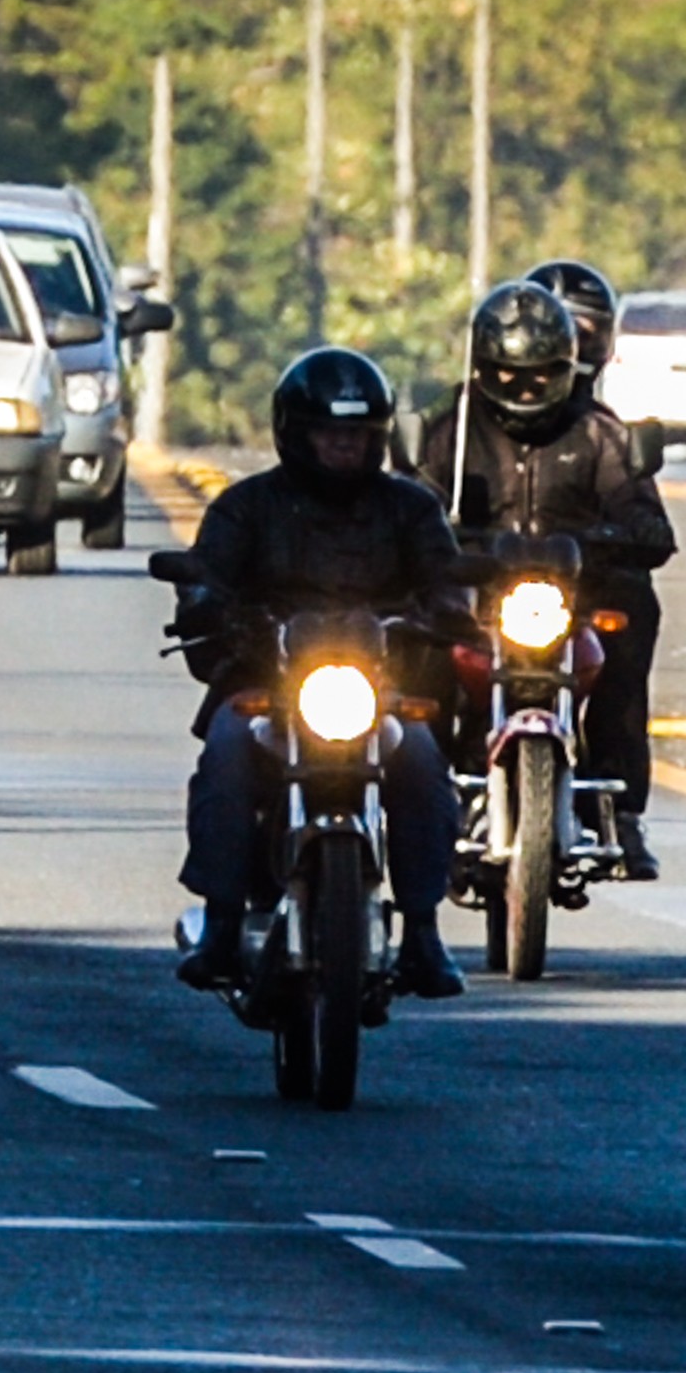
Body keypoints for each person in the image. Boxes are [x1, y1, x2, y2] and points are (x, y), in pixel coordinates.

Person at [173, 348, 469, 999]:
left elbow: (448, 580)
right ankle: (221, 923)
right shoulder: (246, 507)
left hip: (375, 690)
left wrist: (448, 611)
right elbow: (206, 577)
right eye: (331, 434)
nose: (344, 447)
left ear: (381, 436)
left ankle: (422, 930)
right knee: (225, 751)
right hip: (268, 686)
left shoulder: (412, 508)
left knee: (422, 761)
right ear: (295, 433)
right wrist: (205, 606)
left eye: (359, 435)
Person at [517, 258, 673, 875]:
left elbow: (648, 522)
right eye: (558, 331)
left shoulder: (602, 434)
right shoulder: (458, 423)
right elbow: (409, 504)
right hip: (477, 596)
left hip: (574, 595)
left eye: (584, 333)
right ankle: (399, 777)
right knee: (412, 632)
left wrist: (629, 534)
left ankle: (618, 803)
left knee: (632, 608)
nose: (570, 347)